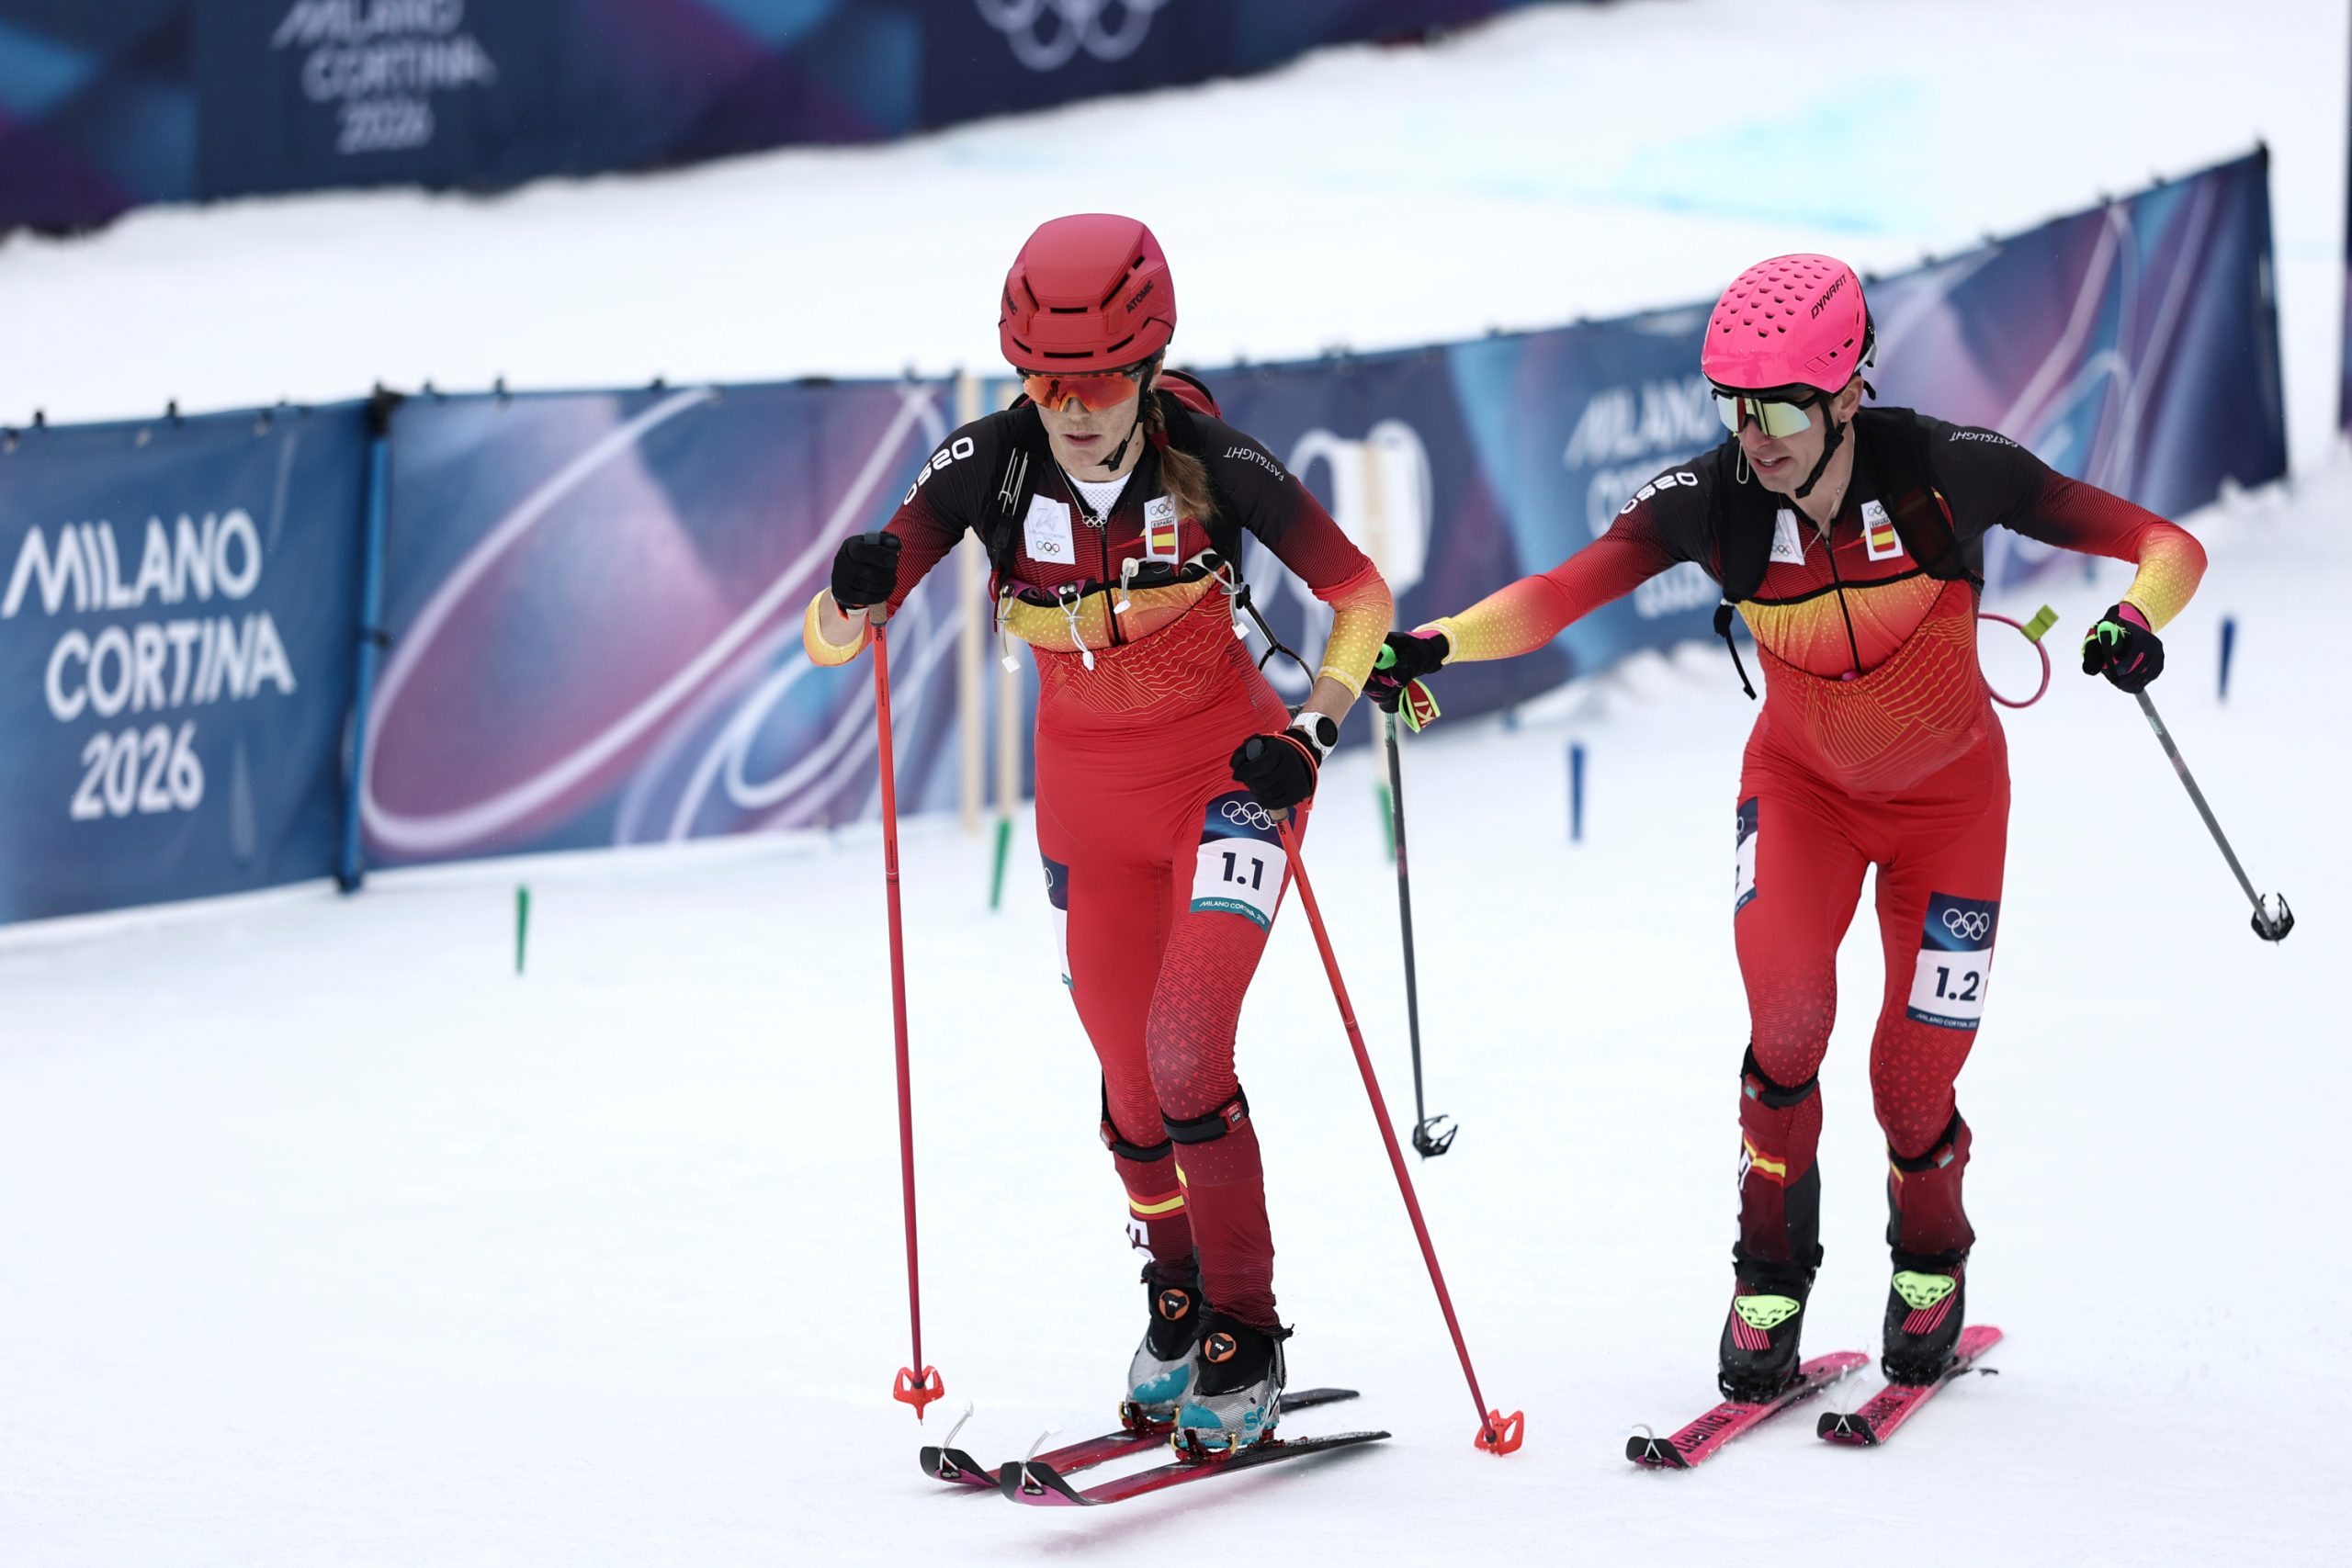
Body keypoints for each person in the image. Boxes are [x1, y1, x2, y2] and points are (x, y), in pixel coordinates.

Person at [1368, 254, 2204, 1400]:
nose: (1752, 434)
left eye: (1777, 408)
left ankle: (1930, 1265)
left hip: (1952, 812)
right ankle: (1767, 1276)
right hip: (1802, 795)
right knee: (1788, 1026)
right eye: (1732, 404)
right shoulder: (1710, 500)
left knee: (1913, 1081)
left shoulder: (1947, 472)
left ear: (1848, 390)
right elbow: (1563, 591)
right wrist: (1438, 641)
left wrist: (2133, 619)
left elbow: (2168, 546)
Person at [804, 213, 1392, 1450]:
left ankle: (1245, 1329)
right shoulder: (988, 460)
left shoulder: (1213, 457)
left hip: (1231, 779)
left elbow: (1360, 595)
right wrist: (850, 594)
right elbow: (839, 629)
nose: (1074, 407)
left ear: (1149, 363)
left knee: (1187, 1053)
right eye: (1048, 379)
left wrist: (1315, 729)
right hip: (1085, 798)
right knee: (1132, 1091)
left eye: (1104, 379)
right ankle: (1176, 1297)